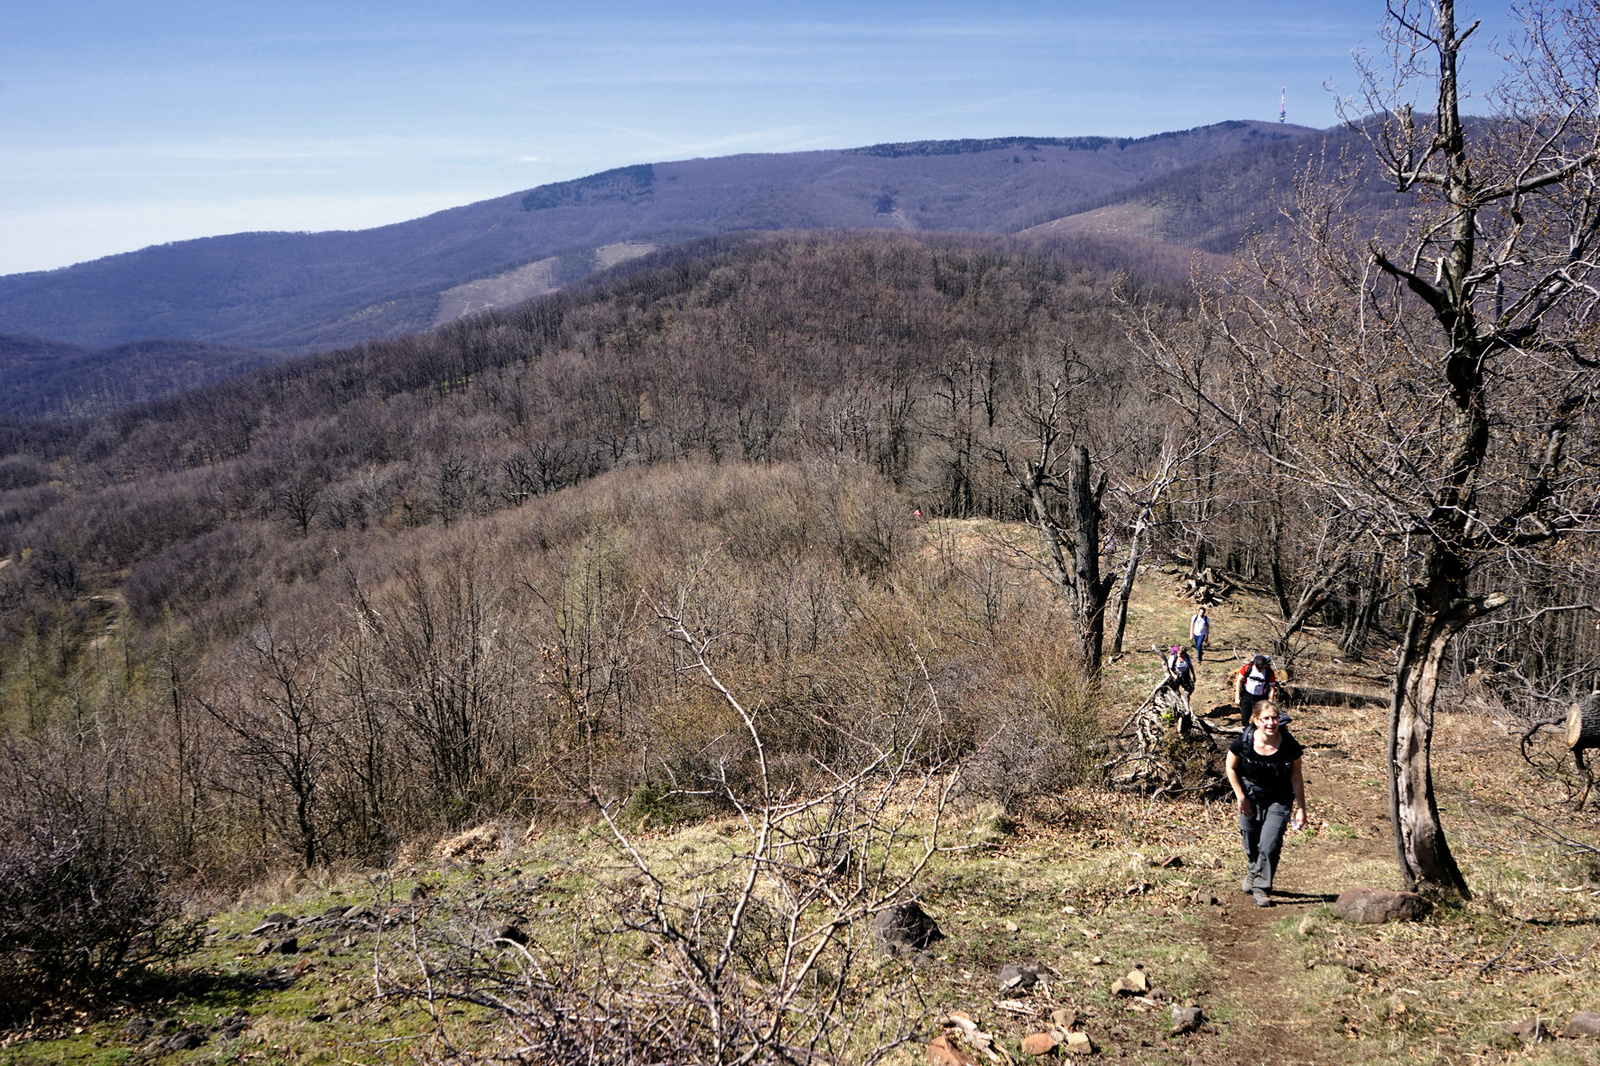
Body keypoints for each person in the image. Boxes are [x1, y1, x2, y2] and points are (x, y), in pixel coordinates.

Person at [1225, 701, 1307, 906]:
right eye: (1266, 719)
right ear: (1256, 721)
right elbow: (1231, 767)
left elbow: (1296, 777)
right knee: (1250, 841)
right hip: (1250, 796)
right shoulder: (1243, 742)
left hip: (1279, 799)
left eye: (1275, 718)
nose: (1271, 723)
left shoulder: (1289, 744)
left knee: (1270, 844)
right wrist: (1240, 796)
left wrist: (1301, 809)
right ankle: (1253, 871)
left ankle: (1262, 887)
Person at [1235, 654, 1278, 723]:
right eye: (1259, 668)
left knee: (1260, 719)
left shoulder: (1269, 672)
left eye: (1262, 668)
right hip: (1247, 695)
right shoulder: (1247, 667)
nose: (1260, 670)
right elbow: (1239, 681)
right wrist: (1237, 697)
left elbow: (1272, 688)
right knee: (1244, 720)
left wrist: (1270, 702)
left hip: (1261, 698)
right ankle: (1246, 732)